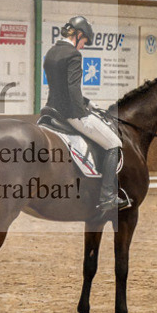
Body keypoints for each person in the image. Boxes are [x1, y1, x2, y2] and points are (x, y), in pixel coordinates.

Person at [43, 16, 130, 213]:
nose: (83, 46)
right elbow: (72, 89)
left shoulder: (51, 52)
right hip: (71, 114)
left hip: (51, 110)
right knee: (114, 144)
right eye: (84, 42)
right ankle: (108, 196)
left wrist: (88, 102)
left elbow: (60, 88)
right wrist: (83, 112)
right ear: (79, 35)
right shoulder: (73, 55)